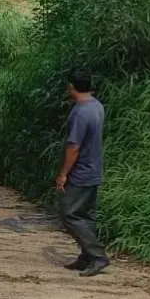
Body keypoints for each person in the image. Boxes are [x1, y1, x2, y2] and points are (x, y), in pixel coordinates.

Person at [54, 70, 109, 277]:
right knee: (86, 215)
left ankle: (97, 255)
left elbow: (73, 147)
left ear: (71, 87)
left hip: (81, 171)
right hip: (94, 168)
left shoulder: (80, 112)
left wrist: (63, 174)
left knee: (69, 213)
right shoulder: (97, 105)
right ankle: (87, 256)